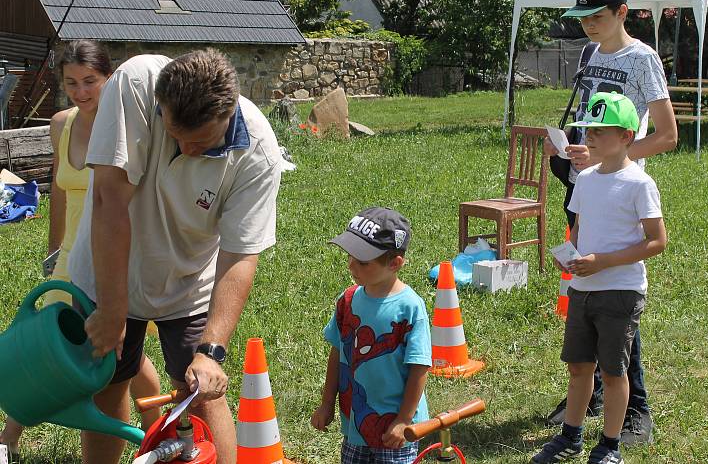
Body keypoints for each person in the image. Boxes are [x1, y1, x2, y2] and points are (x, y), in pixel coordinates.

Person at [67, 48, 282, 464]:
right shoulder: (135, 83)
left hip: (188, 282)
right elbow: (110, 200)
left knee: (201, 392)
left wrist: (212, 351)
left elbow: (239, 255)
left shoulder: (257, 152)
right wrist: (112, 310)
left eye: (200, 141)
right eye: (175, 134)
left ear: (229, 114)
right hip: (109, 271)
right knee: (107, 385)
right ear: (160, 103)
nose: (185, 147)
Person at [0, 41, 161, 462]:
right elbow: (57, 187)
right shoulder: (60, 124)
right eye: (71, 83)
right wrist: (54, 249)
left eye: (90, 81)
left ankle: (157, 428)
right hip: (70, 254)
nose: (81, 92)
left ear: (109, 78)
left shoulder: (130, 127)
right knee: (48, 341)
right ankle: (9, 439)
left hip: (108, 255)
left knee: (115, 351)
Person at [542, 0, 678, 446]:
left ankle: (636, 405)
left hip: (621, 190)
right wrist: (572, 149)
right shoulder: (587, 53)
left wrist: (610, 157)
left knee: (617, 295)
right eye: (582, 18)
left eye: (596, 17)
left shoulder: (643, 60)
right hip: (586, 188)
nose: (588, 26)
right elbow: (592, 123)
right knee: (589, 291)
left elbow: (666, 135)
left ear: (623, 12)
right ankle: (593, 389)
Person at [532, 92, 667, 464]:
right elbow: (577, 228)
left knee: (612, 372)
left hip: (619, 292)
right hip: (583, 288)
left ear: (626, 136)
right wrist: (570, 257)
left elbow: (657, 241)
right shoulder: (586, 179)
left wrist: (604, 261)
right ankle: (571, 437)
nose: (589, 138)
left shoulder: (639, 184)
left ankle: (609, 446)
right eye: (587, 130)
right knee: (579, 367)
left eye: (600, 132)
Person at [311, 207, 431, 464]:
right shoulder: (348, 300)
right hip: (356, 424)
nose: (351, 265)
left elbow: (419, 369)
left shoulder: (409, 308)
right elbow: (338, 352)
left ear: (395, 263)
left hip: (394, 431)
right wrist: (326, 402)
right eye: (351, 256)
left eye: (362, 262)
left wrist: (403, 420)